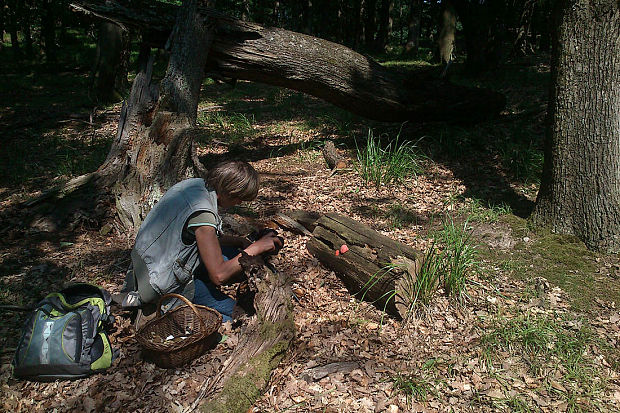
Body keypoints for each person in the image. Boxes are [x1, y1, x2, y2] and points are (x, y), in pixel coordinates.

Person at [120, 160, 283, 322]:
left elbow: (198, 238)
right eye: (239, 198)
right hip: (160, 283)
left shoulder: (195, 186)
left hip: (147, 266)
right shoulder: (203, 214)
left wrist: (240, 242)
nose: (238, 203)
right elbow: (219, 275)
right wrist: (256, 247)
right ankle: (162, 309)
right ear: (230, 191)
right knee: (237, 318)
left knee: (234, 254)